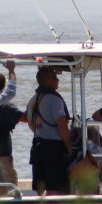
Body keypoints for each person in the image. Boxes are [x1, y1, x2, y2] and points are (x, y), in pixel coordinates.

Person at [25, 65, 73, 195]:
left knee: (38, 188)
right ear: (46, 80)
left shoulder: (32, 100)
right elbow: (62, 125)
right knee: (55, 187)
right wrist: (69, 146)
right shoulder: (54, 99)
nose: (57, 80)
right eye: (54, 77)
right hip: (53, 149)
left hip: (37, 147)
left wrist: (42, 131)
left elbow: (30, 124)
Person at [0, 71, 26, 186]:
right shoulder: (5, 105)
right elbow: (25, 118)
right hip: (2, 154)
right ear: (4, 86)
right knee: (11, 185)